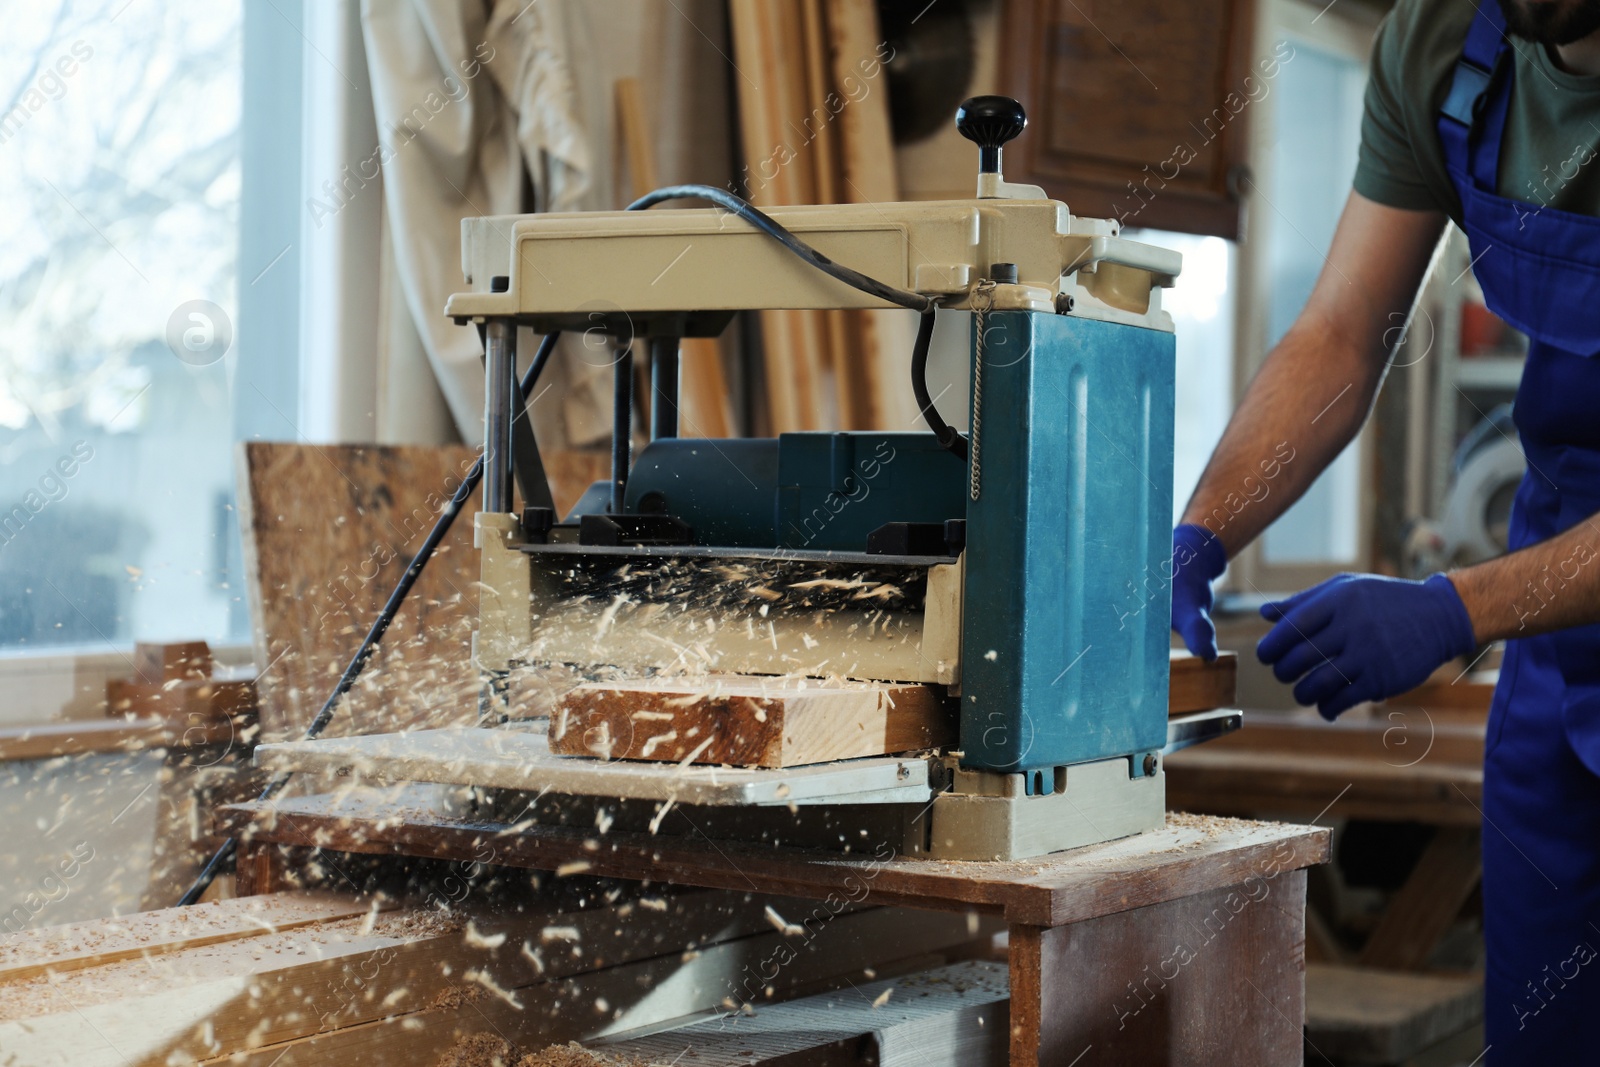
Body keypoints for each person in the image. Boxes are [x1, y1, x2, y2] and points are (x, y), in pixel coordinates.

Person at [1169, 0, 1600, 1058]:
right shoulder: (1446, 44)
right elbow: (1339, 332)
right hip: (1559, 657)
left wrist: (1455, 607)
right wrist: (1199, 532)